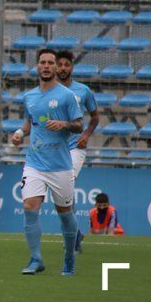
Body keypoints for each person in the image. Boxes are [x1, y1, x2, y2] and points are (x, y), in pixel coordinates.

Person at [11, 49, 83, 276]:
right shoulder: (29, 97)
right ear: (37, 66)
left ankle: (69, 258)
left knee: (65, 214)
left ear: (55, 68)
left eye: (50, 63)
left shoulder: (66, 96)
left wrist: (64, 125)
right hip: (34, 163)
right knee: (29, 207)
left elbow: (79, 125)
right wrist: (19, 134)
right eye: (42, 62)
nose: (46, 66)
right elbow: (30, 124)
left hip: (60, 165)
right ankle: (36, 259)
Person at [55, 50, 99, 253]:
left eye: (66, 65)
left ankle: (71, 240)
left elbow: (95, 117)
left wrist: (86, 135)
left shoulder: (83, 90)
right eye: (60, 65)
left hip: (75, 148)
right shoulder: (48, 91)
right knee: (62, 196)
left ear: (71, 67)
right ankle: (75, 234)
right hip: (55, 149)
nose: (63, 68)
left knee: (66, 186)